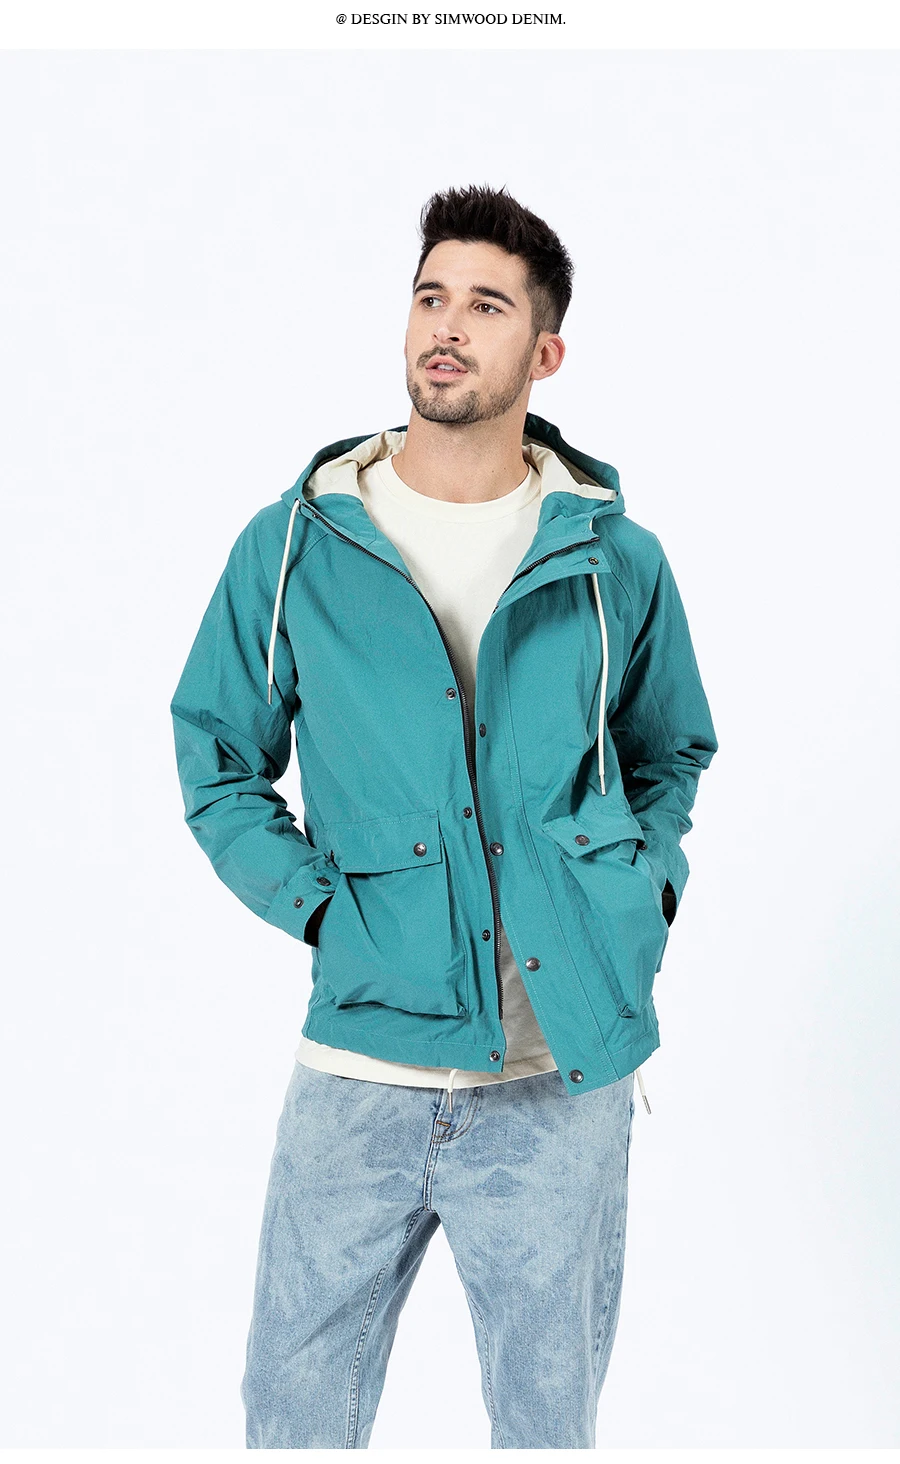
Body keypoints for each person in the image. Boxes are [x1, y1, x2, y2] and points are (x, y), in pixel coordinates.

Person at [170, 182, 718, 1449]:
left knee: (545, 1425)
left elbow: (670, 750)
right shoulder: (298, 543)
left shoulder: (615, 558)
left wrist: (640, 891)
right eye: (430, 297)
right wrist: (320, 910)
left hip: (559, 1069)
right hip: (362, 1063)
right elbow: (217, 758)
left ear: (546, 352)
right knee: (294, 1417)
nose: (447, 327)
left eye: (486, 305)